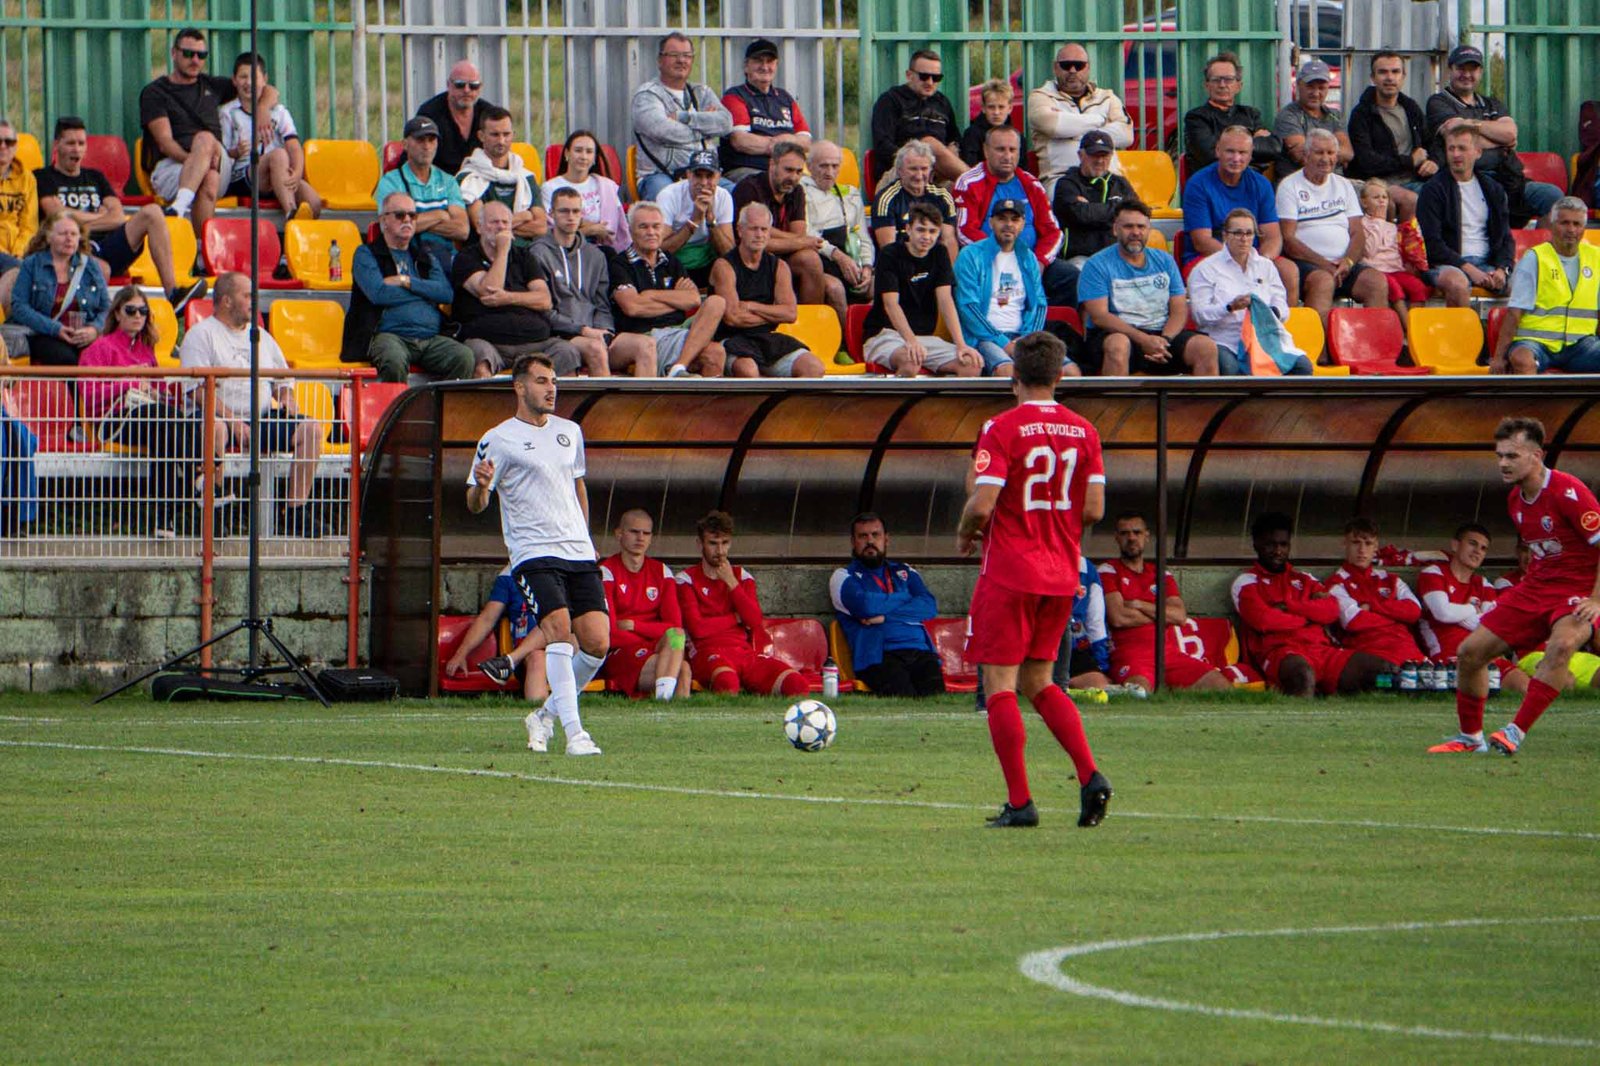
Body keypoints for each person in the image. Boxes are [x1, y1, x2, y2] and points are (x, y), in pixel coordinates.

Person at [956, 330, 1112, 829]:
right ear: (1060, 376)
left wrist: (965, 532)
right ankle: (1089, 775)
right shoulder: (1085, 431)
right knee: (1040, 680)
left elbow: (982, 504)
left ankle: (1020, 802)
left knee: (1000, 685)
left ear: (1014, 377)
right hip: (1061, 573)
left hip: (1010, 571)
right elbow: (1094, 509)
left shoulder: (1001, 427)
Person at [1430, 417, 1600, 755]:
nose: (1503, 463)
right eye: (1500, 456)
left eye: (1512, 456)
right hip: (1536, 588)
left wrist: (1596, 599)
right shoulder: (1515, 501)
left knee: (1562, 645)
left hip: (1577, 591)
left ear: (1537, 456)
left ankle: (1514, 732)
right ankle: (1470, 739)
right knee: (1470, 652)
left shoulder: (1568, 491)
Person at [467, 353, 607, 756]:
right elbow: (475, 503)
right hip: (533, 551)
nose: (551, 389)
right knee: (559, 629)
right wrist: (481, 487)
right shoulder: (498, 438)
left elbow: (577, 486)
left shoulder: (570, 432)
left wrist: (586, 536)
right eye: (542, 381)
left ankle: (544, 716)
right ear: (520, 386)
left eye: (554, 382)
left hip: (577, 551)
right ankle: (575, 734)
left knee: (597, 643)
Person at [179, 272, 325, 536]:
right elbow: (197, 391)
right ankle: (213, 509)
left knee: (311, 429)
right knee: (217, 428)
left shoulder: (262, 337)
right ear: (226, 300)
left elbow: (282, 380)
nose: (254, 301)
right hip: (213, 417)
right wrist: (233, 420)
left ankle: (295, 510)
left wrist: (287, 398)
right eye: (247, 295)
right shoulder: (200, 335)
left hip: (260, 418)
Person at [32, 116, 206, 315]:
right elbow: (56, 216)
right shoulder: (43, 177)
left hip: (107, 245)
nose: (77, 149)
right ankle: (93, 319)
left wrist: (76, 218)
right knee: (101, 268)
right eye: (70, 143)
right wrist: (97, 216)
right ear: (57, 145)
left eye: (81, 143)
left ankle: (173, 293)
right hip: (71, 248)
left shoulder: (95, 177)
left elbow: (117, 217)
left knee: (153, 212)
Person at [78, 285, 211, 538]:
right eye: (131, 310)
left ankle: (164, 520)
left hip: (150, 417)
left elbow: (161, 391)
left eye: (143, 311)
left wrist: (160, 394)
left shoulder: (145, 350)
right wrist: (129, 382)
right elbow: (90, 394)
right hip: (113, 420)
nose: (138, 316)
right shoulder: (99, 348)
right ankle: (199, 472)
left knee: (164, 434)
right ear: (117, 313)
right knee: (162, 420)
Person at [1232, 512, 1391, 697]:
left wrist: (1290, 607)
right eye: (1271, 545)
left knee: (1383, 672)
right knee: (1303, 676)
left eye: (1283, 544)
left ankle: (1383, 710)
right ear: (1256, 545)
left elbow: (1331, 610)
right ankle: (1302, 712)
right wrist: (1309, 617)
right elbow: (1263, 620)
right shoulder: (1246, 581)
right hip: (1281, 652)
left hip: (1321, 650)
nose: (1278, 551)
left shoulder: (1305, 579)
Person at [139, 27, 267, 233]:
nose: (195, 60)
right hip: (172, 167)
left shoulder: (212, 85)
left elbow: (266, 89)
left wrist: (263, 109)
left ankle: (178, 207)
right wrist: (199, 160)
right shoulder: (155, 92)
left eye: (201, 55)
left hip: (218, 160)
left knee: (206, 143)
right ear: (174, 53)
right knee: (209, 175)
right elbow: (165, 143)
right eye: (188, 54)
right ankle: (201, 245)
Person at [1077, 200, 1219, 377]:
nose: (1136, 232)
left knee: (1205, 347)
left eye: (1141, 227)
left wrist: (1164, 341)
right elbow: (1100, 316)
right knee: (1118, 345)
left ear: (1148, 230)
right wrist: (1144, 340)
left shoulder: (1165, 260)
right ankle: (1115, 397)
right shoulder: (1096, 265)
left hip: (1162, 335)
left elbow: (1179, 309)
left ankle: (1203, 397)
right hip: (1117, 334)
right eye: (1128, 226)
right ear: (1115, 229)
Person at [676, 509, 808, 697]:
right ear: (700, 544)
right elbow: (697, 628)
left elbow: (754, 621)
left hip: (743, 651)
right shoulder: (686, 579)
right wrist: (735, 617)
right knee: (727, 682)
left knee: (796, 684)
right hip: (707, 652)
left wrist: (731, 582)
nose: (720, 551)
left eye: (724, 543)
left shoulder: (742, 577)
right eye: (713, 543)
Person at [1426, 44, 1561, 226]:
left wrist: (1472, 125)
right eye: (1461, 69)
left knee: (1553, 197)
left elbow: (1510, 133)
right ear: (1450, 70)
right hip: (1468, 181)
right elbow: (1457, 136)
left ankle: (1540, 243)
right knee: (1495, 196)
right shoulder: (1439, 102)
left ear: (1480, 72)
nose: (1467, 74)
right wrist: (1499, 139)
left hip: (1510, 178)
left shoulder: (1492, 104)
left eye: (1473, 69)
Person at [346, 191, 474, 382]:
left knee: (464, 357)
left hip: (430, 337)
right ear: (384, 221)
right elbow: (379, 294)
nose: (407, 220)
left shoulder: (425, 256)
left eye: (412, 215)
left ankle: (440, 402)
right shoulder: (366, 254)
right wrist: (426, 292)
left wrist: (406, 281)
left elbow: (446, 293)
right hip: (388, 335)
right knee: (393, 359)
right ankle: (397, 402)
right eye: (400, 215)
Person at [451, 199, 585, 378]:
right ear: (480, 227)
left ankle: (555, 398)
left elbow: (544, 300)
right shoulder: (466, 257)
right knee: (479, 357)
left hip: (535, 341)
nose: (500, 227)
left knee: (567, 352)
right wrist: (502, 252)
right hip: (489, 341)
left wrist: (506, 297)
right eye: (494, 222)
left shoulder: (524, 256)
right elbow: (489, 290)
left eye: (505, 222)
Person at [1099, 511, 1230, 693]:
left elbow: (1179, 616)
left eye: (1137, 532)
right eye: (1124, 533)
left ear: (1147, 536)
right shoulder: (1108, 570)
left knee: (1221, 686)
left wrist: (1138, 604)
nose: (1131, 538)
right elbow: (1119, 617)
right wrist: (1162, 615)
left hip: (1168, 653)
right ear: (1116, 538)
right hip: (1131, 655)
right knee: (1138, 692)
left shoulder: (1160, 573)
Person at [531, 186, 653, 377]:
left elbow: (601, 303)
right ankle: (607, 399)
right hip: (561, 336)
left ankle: (643, 399)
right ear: (551, 213)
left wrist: (604, 330)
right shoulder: (538, 253)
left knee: (646, 344)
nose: (571, 217)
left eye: (576, 211)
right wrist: (583, 330)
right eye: (564, 211)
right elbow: (544, 310)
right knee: (595, 349)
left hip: (595, 333)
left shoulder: (596, 255)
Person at [952, 125, 1074, 306]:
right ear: (986, 150)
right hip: (988, 261)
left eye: (1012, 150)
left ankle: (1046, 321)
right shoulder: (969, 182)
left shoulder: (1032, 184)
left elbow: (1053, 232)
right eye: (1000, 149)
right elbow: (965, 231)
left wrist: (1039, 262)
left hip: (1031, 261)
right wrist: (1003, 257)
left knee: (1071, 278)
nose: (1007, 156)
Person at [1276, 129, 1388, 325]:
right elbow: (1288, 239)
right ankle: (1320, 344)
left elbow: (1357, 232)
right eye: (1319, 152)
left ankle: (1373, 342)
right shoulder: (1289, 186)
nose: (1325, 158)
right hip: (1308, 263)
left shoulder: (1344, 185)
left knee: (1376, 282)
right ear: (1306, 155)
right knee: (1323, 281)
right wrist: (1324, 264)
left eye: (1330, 153)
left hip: (1343, 265)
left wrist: (1348, 262)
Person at [829, 512, 945, 697]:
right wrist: (906, 597)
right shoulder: (843, 576)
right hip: (878, 656)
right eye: (863, 536)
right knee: (905, 699)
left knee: (936, 701)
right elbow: (865, 606)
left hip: (920, 650)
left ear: (886, 539)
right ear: (853, 542)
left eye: (875, 535)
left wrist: (884, 617)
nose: (870, 541)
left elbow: (928, 606)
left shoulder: (905, 571)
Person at [608, 200, 727, 378]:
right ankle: (678, 371)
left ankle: (679, 367)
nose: (651, 232)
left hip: (677, 330)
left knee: (717, 303)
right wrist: (676, 300)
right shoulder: (620, 264)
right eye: (643, 227)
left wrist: (649, 295)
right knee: (712, 351)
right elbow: (633, 307)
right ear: (631, 230)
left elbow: (693, 299)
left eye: (656, 226)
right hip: (642, 335)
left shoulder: (671, 261)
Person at [1188, 208, 1312, 376]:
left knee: (1302, 366)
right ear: (1225, 235)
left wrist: (1267, 312)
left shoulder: (1266, 266)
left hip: (1264, 339)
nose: (1244, 239)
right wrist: (1230, 307)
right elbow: (1200, 315)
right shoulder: (1205, 269)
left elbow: (1282, 306)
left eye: (1249, 233)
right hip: (1225, 340)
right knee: (1229, 367)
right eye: (1237, 233)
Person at [1181, 126, 1297, 300]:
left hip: (1253, 256)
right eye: (1230, 151)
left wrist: (1260, 262)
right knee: (1229, 284)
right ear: (1218, 151)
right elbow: (1202, 242)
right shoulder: (1198, 184)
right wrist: (1238, 263)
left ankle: (1282, 318)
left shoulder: (1261, 184)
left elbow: (1272, 237)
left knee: (1289, 271)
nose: (1236, 158)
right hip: (1209, 257)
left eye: (1242, 153)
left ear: (1250, 155)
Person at [866, 202, 980, 377]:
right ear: (908, 229)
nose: (927, 236)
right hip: (885, 334)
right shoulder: (890, 254)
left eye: (932, 231)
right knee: (911, 361)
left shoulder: (940, 253)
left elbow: (945, 300)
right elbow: (891, 305)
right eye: (921, 230)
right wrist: (911, 341)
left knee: (971, 364)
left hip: (924, 337)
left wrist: (961, 344)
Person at [732, 139, 841, 319]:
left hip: (784, 256)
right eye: (788, 170)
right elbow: (757, 241)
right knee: (809, 258)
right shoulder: (749, 188)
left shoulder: (796, 191)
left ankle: (811, 324)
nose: (794, 177)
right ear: (772, 164)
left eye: (798, 172)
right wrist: (798, 241)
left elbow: (798, 235)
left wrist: (779, 235)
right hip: (751, 259)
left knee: (814, 264)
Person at [709, 203, 821, 378]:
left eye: (764, 229)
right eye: (753, 229)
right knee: (748, 370)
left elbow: (790, 314)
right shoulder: (724, 266)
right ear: (740, 230)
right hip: (731, 339)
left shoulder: (779, 266)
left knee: (813, 367)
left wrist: (751, 306)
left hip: (766, 337)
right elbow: (733, 317)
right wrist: (772, 314)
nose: (759, 235)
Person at [1417, 523, 1530, 695]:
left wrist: (1458, 614)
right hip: (1450, 656)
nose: (1478, 551)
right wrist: (1472, 609)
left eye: (1483, 548)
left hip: (1485, 653)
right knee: (1477, 691)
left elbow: (1491, 626)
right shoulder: (1434, 573)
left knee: (1523, 685)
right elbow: (1443, 613)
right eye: (1472, 543)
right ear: (1455, 545)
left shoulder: (1483, 584)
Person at [1493, 197, 1600, 375]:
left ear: (1584, 228)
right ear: (1552, 225)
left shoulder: (1596, 258)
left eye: (1577, 224)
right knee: (1522, 359)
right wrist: (1498, 358)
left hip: (1580, 344)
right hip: (1535, 342)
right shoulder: (1534, 258)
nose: (1571, 230)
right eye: (1564, 223)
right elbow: (1514, 312)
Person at [598, 509, 690, 701]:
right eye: (634, 531)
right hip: (620, 652)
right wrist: (654, 638)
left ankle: (664, 702)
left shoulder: (662, 572)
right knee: (682, 669)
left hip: (653, 648)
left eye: (646, 533)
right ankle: (667, 704)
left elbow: (675, 626)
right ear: (619, 534)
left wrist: (635, 626)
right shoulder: (606, 571)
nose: (640, 538)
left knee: (677, 635)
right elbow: (611, 633)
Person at [1416, 124, 1513, 302]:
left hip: (1487, 263)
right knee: (1457, 283)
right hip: (1447, 264)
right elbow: (1432, 243)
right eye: (1451, 149)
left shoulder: (1493, 189)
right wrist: (1469, 269)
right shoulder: (1433, 189)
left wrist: (1501, 269)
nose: (1456, 154)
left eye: (1462, 148)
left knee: (1524, 281)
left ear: (1478, 152)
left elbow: (1505, 237)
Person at [632, 32, 733, 202]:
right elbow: (664, 131)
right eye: (674, 55)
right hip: (661, 174)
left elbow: (726, 123)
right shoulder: (647, 95)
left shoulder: (702, 92)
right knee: (664, 198)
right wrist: (707, 128)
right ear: (660, 60)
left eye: (687, 55)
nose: (681, 60)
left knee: (739, 194)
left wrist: (684, 117)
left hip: (705, 173)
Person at [219, 51, 321, 220]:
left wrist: (297, 173)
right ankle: (290, 212)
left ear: (264, 79)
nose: (248, 82)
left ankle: (296, 231)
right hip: (244, 175)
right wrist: (236, 152)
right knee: (279, 155)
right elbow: (223, 154)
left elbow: (294, 146)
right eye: (243, 77)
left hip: (278, 174)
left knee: (313, 202)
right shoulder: (228, 112)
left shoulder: (278, 111)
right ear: (234, 80)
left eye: (254, 77)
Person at [953, 199, 1045, 377]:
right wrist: (1004, 342)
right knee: (1007, 371)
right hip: (984, 338)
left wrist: (1027, 337)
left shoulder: (1028, 257)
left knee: (1069, 371)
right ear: (991, 222)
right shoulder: (970, 255)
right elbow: (967, 307)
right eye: (1002, 219)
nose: (1008, 224)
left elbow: (1039, 303)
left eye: (1014, 219)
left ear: (1023, 224)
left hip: (1023, 336)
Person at [1028, 42, 1133, 193]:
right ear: (1055, 68)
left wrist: (1071, 131)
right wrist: (1100, 120)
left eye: (1079, 65)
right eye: (1066, 65)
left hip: (1108, 178)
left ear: (1088, 68)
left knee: (1129, 205)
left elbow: (1126, 136)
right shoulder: (1041, 97)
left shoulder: (1107, 97)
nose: (1072, 70)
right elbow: (1053, 126)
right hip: (1061, 179)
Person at [6, 213, 108, 368]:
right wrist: (55, 329)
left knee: (100, 355)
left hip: (83, 334)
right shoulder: (32, 264)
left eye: (73, 234)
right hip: (42, 332)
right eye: (63, 234)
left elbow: (107, 307)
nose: (69, 239)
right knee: (66, 358)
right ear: (49, 237)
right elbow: (19, 307)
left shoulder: (91, 266)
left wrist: (94, 329)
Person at [1345, 51, 1436, 223]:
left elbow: (1431, 142)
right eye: (1383, 72)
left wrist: (1434, 162)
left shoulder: (1410, 108)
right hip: (1379, 183)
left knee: (1449, 192)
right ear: (1373, 78)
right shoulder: (1362, 114)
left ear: (1403, 77)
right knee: (1412, 199)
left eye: (1395, 72)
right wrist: (1409, 161)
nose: (1389, 78)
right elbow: (1367, 161)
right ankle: (1404, 241)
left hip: (1416, 179)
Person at [1323, 517, 1425, 669]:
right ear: (1345, 543)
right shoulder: (1336, 583)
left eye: (1368, 543)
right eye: (1356, 542)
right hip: (1370, 653)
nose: (1362, 550)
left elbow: (1414, 612)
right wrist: (1397, 617)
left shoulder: (1391, 579)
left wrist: (1372, 607)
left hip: (1408, 650)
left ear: (1376, 546)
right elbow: (1354, 621)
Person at [1050, 129, 1137, 297]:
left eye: (1105, 155)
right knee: (1083, 280)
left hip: (1116, 256)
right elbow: (1081, 215)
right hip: (1080, 257)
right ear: (1081, 155)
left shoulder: (1119, 183)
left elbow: (1135, 215)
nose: (1100, 161)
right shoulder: (1066, 184)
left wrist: (1091, 208)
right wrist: (1116, 208)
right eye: (1094, 155)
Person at [446, 568, 548, 703]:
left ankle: (509, 661)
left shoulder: (565, 567)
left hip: (567, 647)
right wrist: (461, 653)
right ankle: (540, 713)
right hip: (529, 657)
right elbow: (487, 619)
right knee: (537, 657)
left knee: (557, 622)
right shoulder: (509, 574)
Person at [375, 116, 469, 261]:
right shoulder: (390, 181)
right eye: (420, 140)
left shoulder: (448, 181)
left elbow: (462, 230)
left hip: (446, 258)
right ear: (405, 144)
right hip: (408, 258)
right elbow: (389, 226)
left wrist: (415, 223)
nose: (427, 146)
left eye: (432, 140)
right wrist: (440, 215)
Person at [719, 38, 811, 183]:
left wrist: (783, 142)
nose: (765, 66)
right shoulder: (735, 96)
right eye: (758, 61)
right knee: (769, 186)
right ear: (746, 66)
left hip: (787, 170)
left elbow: (806, 142)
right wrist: (782, 144)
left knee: (812, 189)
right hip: (748, 170)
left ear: (776, 65)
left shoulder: (785, 98)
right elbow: (741, 141)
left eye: (770, 62)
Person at [869, 50, 963, 185]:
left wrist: (953, 150)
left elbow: (955, 138)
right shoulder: (890, 100)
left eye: (936, 78)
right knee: (929, 143)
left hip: (937, 174)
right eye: (924, 76)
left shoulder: (942, 102)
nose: (930, 82)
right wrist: (918, 160)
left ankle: (976, 187)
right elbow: (882, 145)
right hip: (900, 173)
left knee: (959, 188)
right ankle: (977, 185)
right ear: (909, 75)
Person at [457, 107, 545, 244]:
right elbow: (482, 226)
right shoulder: (469, 178)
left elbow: (541, 227)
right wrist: (524, 216)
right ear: (481, 136)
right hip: (485, 252)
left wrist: (498, 226)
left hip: (525, 252)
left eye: (506, 134)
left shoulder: (526, 177)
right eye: (495, 135)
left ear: (513, 135)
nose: (501, 141)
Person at [1182, 51, 1280, 174]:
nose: (1222, 85)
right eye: (1216, 80)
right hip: (1213, 182)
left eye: (1228, 79)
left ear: (1239, 86)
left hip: (1250, 180)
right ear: (1207, 86)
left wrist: (1225, 147)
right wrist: (1252, 143)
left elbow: (1273, 148)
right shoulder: (1196, 118)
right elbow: (1210, 156)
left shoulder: (1251, 114)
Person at [802, 139, 874, 304]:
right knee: (835, 289)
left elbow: (863, 236)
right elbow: (807, 232)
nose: (829, 172)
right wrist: (838, 256)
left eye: (835, 166)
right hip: (821, 259)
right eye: (823, 166)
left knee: (882, 285)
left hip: (850, 256)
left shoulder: (851, 194)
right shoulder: (801, 192)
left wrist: (867, 266)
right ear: (809, 166)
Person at [870, 141, 959, 264]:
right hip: (899, 267)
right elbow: (889, 249)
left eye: (924, 169)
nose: (919, 175)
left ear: (931, 171)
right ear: (900, 171)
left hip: (935, 268)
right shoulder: (886, 199)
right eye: (913, 169)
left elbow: (948, 241)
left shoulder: (943, 197)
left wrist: (948, 273)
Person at [656, 150, 735, 288]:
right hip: (675, 262)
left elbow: (728, 252)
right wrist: (694, 221)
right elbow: (660, 250)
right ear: (688, 175)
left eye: (709, 176)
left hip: (707, 258)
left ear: (719, 176)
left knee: (727, 269)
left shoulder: (724, 197)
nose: (703, 183)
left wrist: (711, 220)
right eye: (698, 176)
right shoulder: (668, 195)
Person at [542, 129, 629, 253]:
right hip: (565, 252)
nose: (583, 157)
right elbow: (553, 231)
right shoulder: (550, 188)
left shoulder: (607, 186)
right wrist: (590, 230)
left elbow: (615, 230)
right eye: (578, 150)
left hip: (604, 251)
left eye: (589, 152)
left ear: (594, 157)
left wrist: (580, 226)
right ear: (567, 153)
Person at [1356, 179, 1430, 317]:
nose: (1381, 201)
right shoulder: (1362, 224)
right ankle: (1407, 326)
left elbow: (1398, 252)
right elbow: (1370, 250)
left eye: (1384, 197)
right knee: (1395, 289)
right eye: (1376, 197)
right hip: (1377, 270)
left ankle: (1416, 322)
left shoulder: (1392, 226)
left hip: (1396, 270)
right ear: (1364, 202)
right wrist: (1378, 221)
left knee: (1418, 288)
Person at [413, 60, 493, 176]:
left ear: (480, 87)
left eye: (473, 86)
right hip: (439, 180)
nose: (467, 90)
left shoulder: (488, 114)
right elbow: (414, 156)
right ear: (448, 85)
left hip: (481, 180)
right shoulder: (430, 113)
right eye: (460, 85)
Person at [1272, 59, 1352, 173]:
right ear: (1298, 85)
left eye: (1321, 88)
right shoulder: (1288, 116)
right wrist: (1334, 154)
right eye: (1310, 87)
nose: (1315, 93)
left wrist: (1316, 153)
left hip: (1335, 179)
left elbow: (1348, 153)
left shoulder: (1335, 115)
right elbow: (1301, 156)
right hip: (1300, 180)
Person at [0, 118, 37, 276]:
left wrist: (18, 252)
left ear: (15, 147)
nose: (3, 146)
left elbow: (29, 226)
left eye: (9, 142)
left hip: (17, 254)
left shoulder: (27, 179)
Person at [961, 78, 1014, 168]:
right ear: (983, 108)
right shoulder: (972, 135)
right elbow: (970, 168)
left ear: (1010, 108)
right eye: (991, 107)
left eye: (1001, 107)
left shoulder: (1017, 137)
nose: (996, 112)